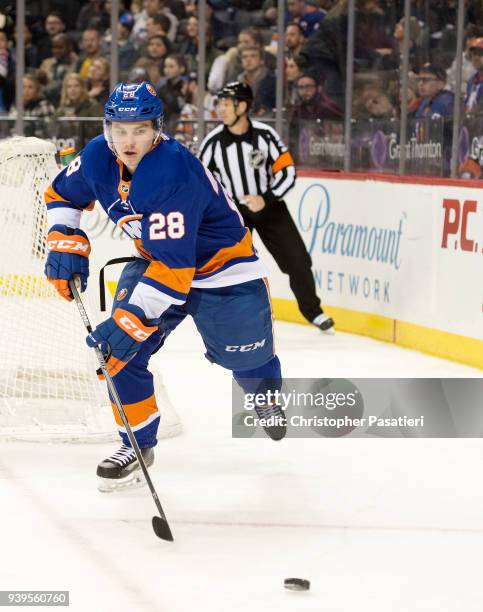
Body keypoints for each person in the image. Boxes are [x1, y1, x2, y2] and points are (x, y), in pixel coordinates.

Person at [43, 81, 286, 490]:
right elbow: (61, 194)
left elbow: (177, 271)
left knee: (245, 360)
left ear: (157, 128)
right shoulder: (98, 155)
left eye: (139, 129)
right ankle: (137, 444)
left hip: (224, 271)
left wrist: (128, 322)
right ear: (107, 128)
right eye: (119, 129)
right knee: (118, 355)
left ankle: (265, 394)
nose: (128, 140)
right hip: (158, 262)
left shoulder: (171, 171)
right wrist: (65, 239)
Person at [199, 81, 335, 333]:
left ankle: (313, 312)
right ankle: (232, 316)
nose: (221, 109)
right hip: (234, 215)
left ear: (243, 106)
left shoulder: (265, 135)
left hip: (270, 208)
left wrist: (267, 197)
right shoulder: (213, 143)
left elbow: (287, 171)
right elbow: (201, 182)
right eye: (220, 104)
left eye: (227, 104)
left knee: (298, 261)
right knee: (232, 266)